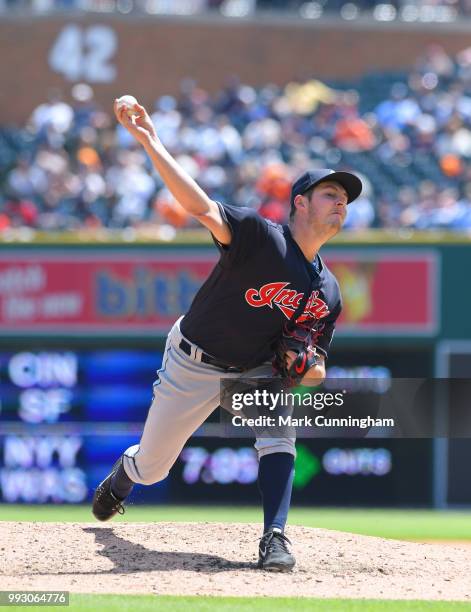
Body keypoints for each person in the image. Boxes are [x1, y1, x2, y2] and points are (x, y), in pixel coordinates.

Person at [92, 97, 362, 572]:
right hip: (194, 360)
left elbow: (316, 363)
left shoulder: (330, 292)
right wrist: (151, 142)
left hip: (253, 371)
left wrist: (306, 368)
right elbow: (198, 205)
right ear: (300, 202)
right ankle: (124, 475)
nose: (340, 203)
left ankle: (274, 538)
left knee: (280, 432)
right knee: (153, 468)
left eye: (344, 199)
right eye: (330, 195)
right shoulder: (260, 236)